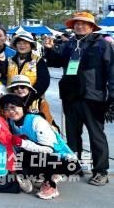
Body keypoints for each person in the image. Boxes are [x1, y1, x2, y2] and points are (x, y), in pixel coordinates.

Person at [43, 11, 114, 186]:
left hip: (93, 97)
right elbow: (55, 62)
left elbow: (112, 72)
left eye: (84, 23)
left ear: (92, 27)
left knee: (96, 136)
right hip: (71, 96)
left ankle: (100, 171)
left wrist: (112, 98)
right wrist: (49, 49)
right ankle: (73, 166)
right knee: (72, 135)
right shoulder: (69, 44)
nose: (79, 26)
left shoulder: (102, 45)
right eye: (77, 23)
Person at [0, 94, 81, 199]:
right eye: (6, 109)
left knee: (36, 156)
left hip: (65, 160)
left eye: (13, 107)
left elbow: (49, 149)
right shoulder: (12, 122)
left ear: (22, 106)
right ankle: (39, 176)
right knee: (19, 155)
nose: (11, 111)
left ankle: (51, 184)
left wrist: (23, 143)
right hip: (39, 155)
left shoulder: (37, 121)